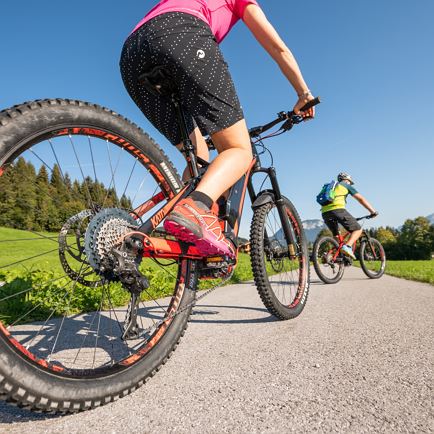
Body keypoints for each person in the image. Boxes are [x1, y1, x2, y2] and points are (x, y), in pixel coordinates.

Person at [120, 0, 315, 258]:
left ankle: (186, 240)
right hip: (182, 32)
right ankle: (195, 208)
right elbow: (278, 49)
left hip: (132, 52)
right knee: (238, 149)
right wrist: (304, 93)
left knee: (199, 158)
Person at [321, 172, 378, 259]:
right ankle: (347, 246)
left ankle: (334, 256)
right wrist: (373, 211)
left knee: (337, 235)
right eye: (350, 182)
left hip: (325, 213)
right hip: (338, 210)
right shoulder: (345, 185)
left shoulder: (330, 186)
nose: (350, 184)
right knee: (358, 229)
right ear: (347, 180)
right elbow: (361, 199)